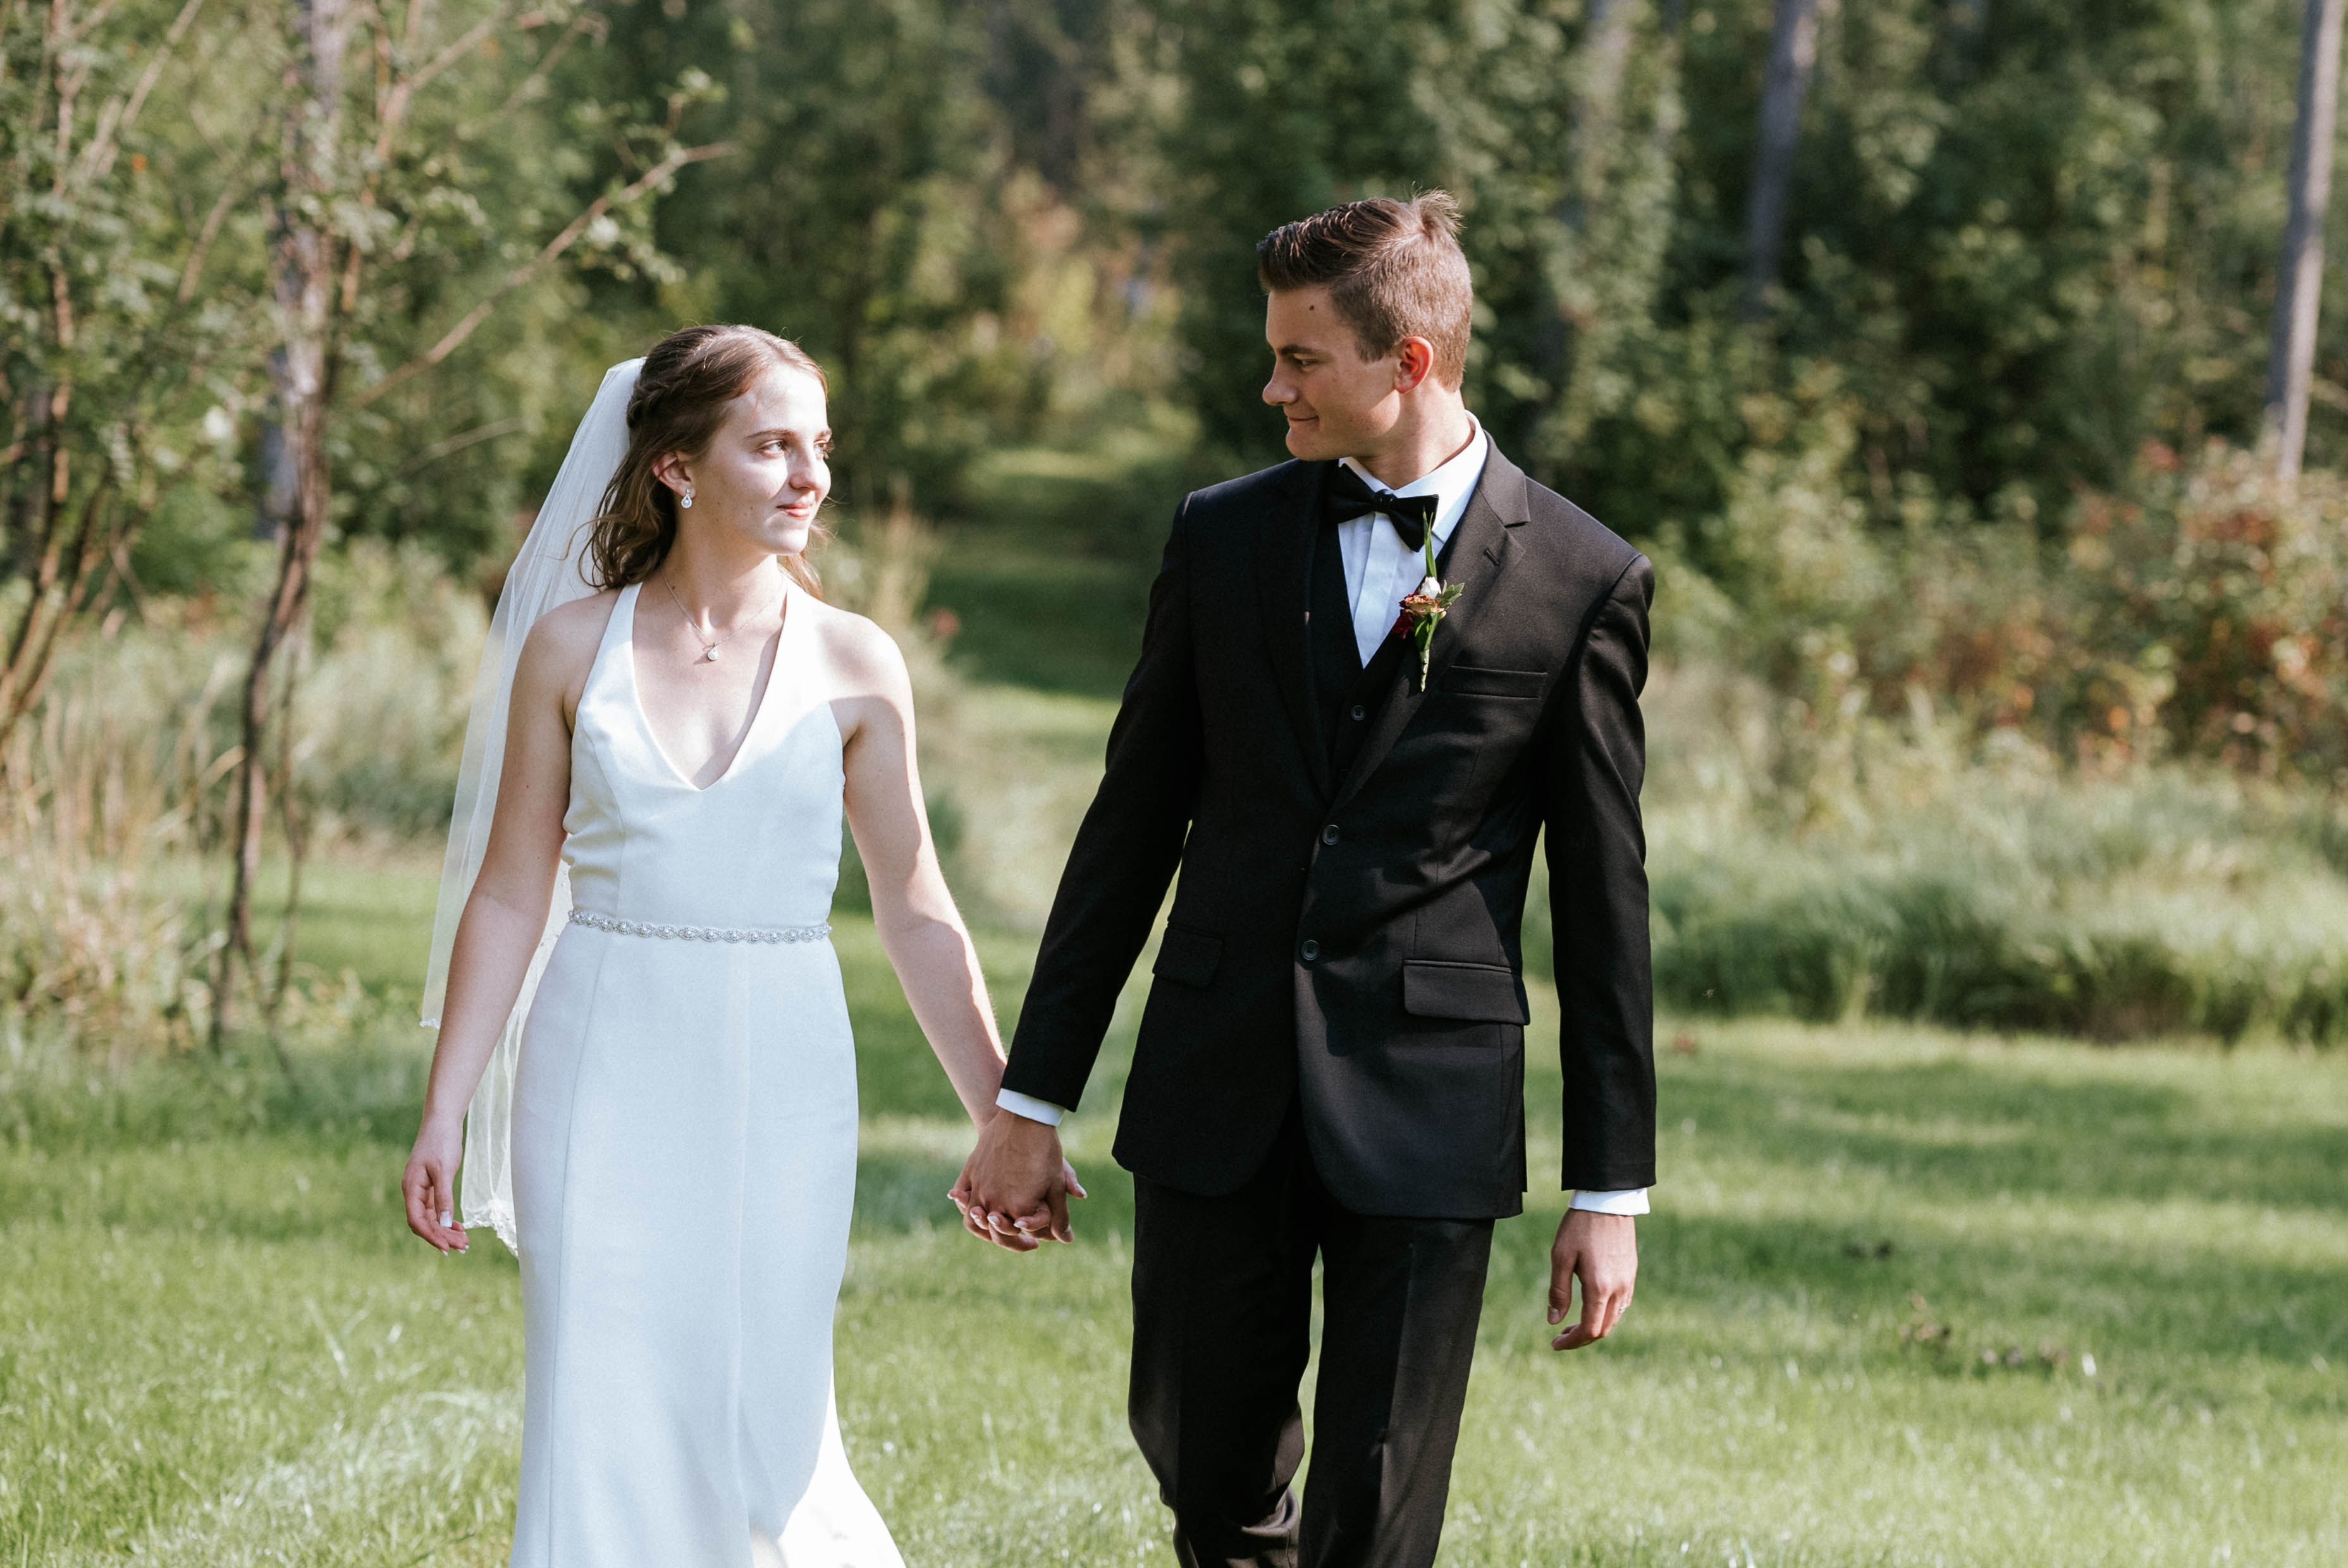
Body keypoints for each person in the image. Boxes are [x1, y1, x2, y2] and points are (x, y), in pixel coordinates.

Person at [954, 193, 1656, 1568]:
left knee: (1381, 1509)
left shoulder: (1584, 577)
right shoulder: (1220, 537)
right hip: (1215, 1074)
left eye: (1299, 360)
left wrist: (1609, 1189)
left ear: (1410, 362)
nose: (1271, 387)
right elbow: (1129, 826)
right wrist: (1030, 1101)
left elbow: (1603, 896)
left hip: (1431, 1100)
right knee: (1203, 1465)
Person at [402, 325, 1039, 1567]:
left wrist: (1000, 1116)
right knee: (597, 1400)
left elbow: (915, 903)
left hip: (783, 1071)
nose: (811, 476)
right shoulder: (570, 647)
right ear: (676, 467)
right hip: (596, 1060)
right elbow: (510, 893)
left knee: (767, 1412)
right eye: (772, 446)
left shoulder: (857, 662)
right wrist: (445, 1109)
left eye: (820, 446)